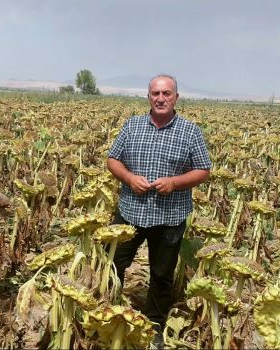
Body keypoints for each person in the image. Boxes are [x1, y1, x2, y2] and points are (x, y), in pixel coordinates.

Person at [107, 74, 212, 344]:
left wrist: (175, 183)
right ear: (149, 96)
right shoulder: (132, 126)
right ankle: (106, 311)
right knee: (112, 263)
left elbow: (203, 170)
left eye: (166, 93)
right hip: (130, 212)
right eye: (155, 93)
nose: (160, 98)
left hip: (169, 217)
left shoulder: (190, 132)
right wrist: (129, 178)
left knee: (162, 274)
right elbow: (112, 160)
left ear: (176, 97)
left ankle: (155, 326)